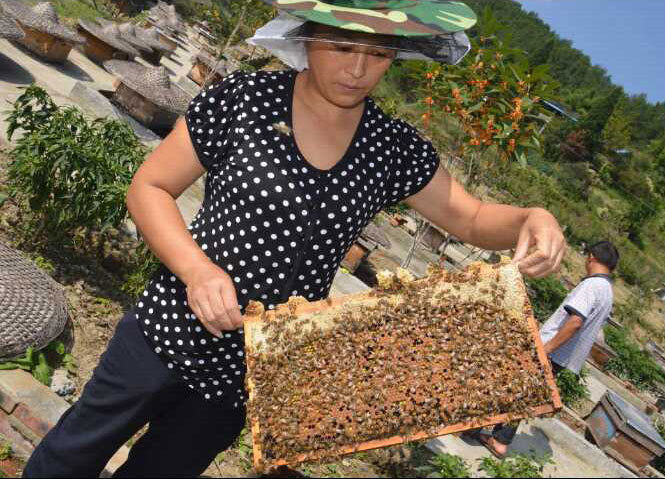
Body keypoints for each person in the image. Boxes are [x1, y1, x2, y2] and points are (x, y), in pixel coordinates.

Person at [23, 2, 568, 477]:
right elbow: (150, 187)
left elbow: (471, 219)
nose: (358, 69)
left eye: (378, 55)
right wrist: (197, 269)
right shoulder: (245, 99)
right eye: (340, 46)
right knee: (70, 457)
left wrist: (530, 216)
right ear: (306, 37)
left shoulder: (392, 149)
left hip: (250, 369)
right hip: (164, 333)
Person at [462, 240, 619, 457]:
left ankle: (487, 433)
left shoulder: (592, 285)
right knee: (522, 393)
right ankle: (495, 437)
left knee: (509, 384)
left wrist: (546, 348)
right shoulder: (608, 291)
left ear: (591, 257)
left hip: (553, 350)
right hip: (564, 356)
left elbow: (575, 321)